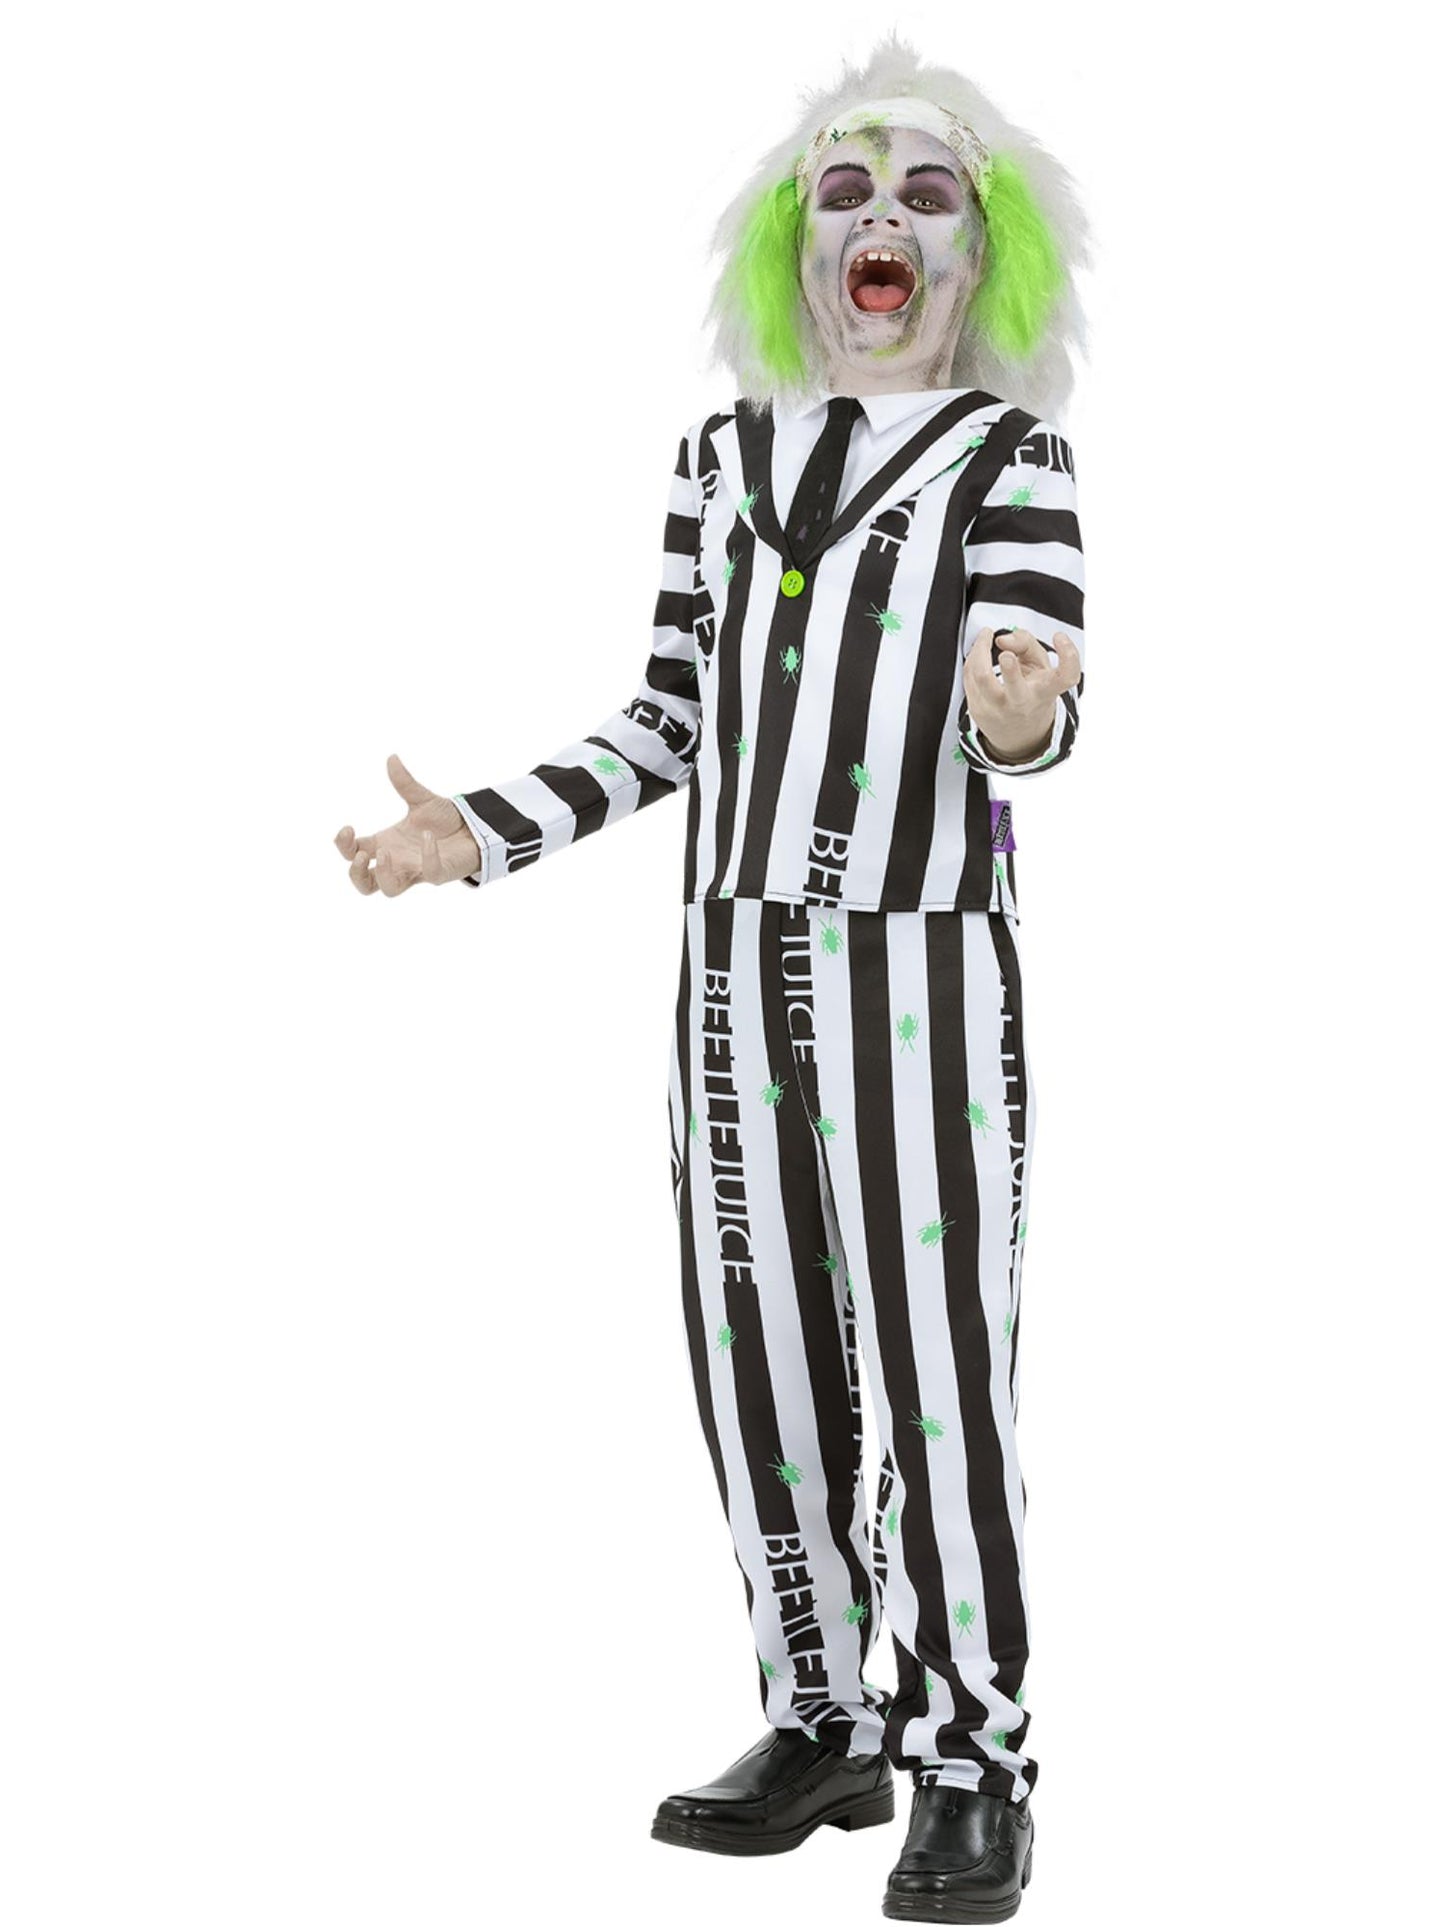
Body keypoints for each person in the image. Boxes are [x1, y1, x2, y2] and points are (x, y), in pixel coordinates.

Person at [335, 32, 1088, 1924]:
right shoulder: (718, 459)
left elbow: (1029, 699)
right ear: (793, 240)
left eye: (926, 194)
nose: (881, 219)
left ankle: (972, 1762)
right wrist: (481, 830)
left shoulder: (1011, 460)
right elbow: (670, 714)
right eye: (844, 191)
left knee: (937, 1376)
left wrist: (1016, 715)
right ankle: (821, 1715)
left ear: (979, 249)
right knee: (754, 1355)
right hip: (731, 976)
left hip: (920, 968)